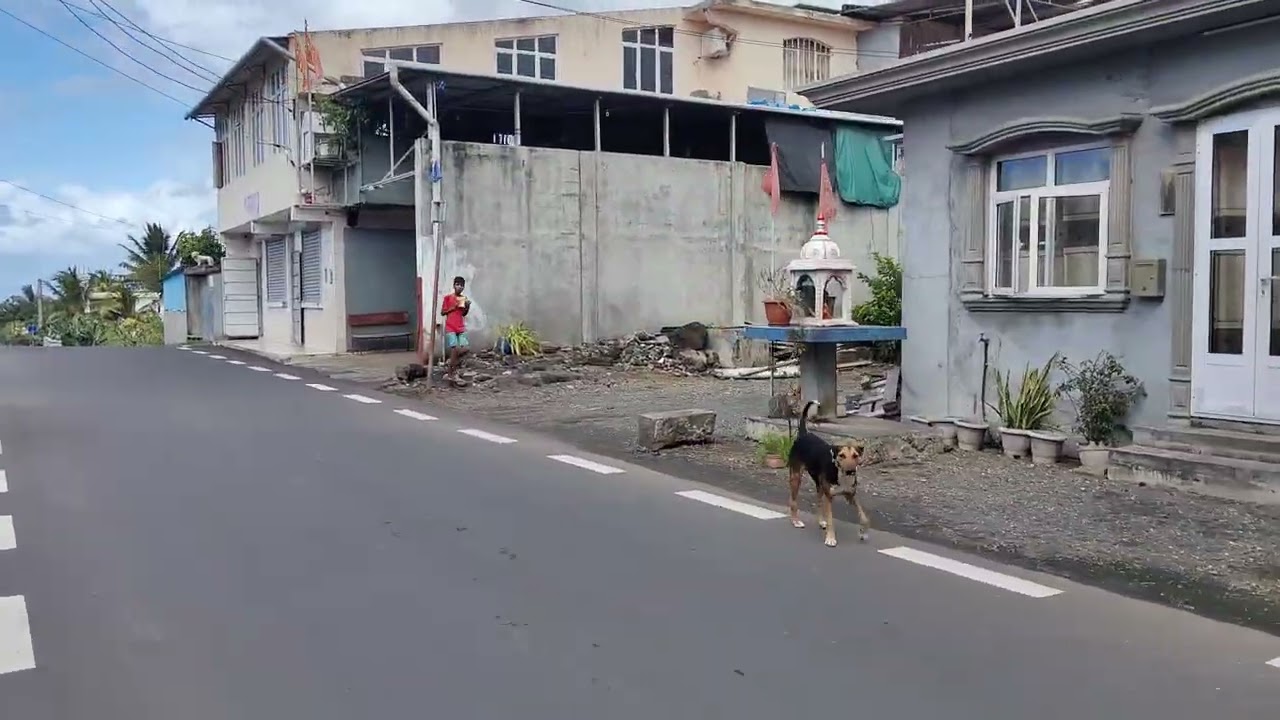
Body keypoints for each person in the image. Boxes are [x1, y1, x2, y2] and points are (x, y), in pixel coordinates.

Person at [440, 276, 471, 378]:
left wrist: (467, 306)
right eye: (457, 285)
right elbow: (443, 312)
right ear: (454, 286)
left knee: (466, 348)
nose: (460, 287)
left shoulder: (463, 298)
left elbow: (464, 314)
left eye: (462, 286)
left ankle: (453, 364)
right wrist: (452, 308)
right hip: (450, 326)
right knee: (454, 349)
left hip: (460, 326)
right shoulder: (448, 298)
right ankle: (450, 371)